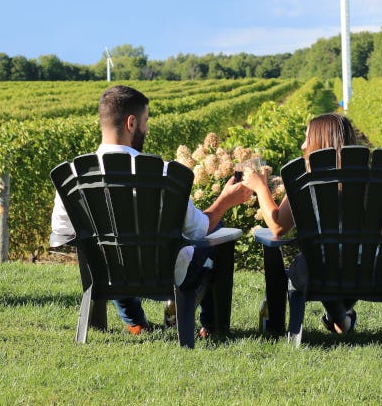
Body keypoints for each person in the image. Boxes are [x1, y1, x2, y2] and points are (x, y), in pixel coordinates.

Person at [50, 85, 250, 336]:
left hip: (107, 273)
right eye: (145, 121)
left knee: (107, 247)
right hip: (168, 274)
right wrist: (224, 201)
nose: (146, 128)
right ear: (131, 123)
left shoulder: (73, 175)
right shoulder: (162, 173)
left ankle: (135, 322)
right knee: (217, 228)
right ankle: (210, 327)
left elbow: (61, 233)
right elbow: (198, 228)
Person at [245, 112, 358, 335]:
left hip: (318, 271)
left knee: (309, 263)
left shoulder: (307, 181)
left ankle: (276, 324)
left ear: (319, 143)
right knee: (331, 260)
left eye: (307, 138)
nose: (303, 144)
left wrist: (260, 188)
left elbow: (278, 226)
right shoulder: (370, 179)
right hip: (366, 269)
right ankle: (341, 320)